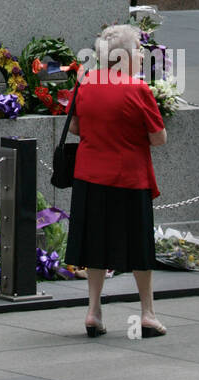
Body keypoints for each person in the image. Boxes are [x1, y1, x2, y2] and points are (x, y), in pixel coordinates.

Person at [64, 23, 167, 337]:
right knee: (138, 247)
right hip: (129, 177)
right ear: (123, 56)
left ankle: (93, 310)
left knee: (94, 243)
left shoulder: (86, 83)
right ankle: (147, 313)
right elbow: (158, 138)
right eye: (137, 49)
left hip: (89, 175)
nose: (140, 54)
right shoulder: (138, 89)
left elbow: (75, 128)